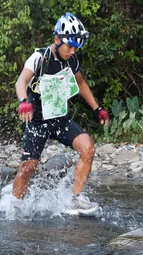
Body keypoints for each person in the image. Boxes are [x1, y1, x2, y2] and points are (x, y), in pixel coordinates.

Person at [13, 12, 109, 212]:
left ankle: (76, 198)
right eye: (70, 46)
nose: (73, 51)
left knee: (88, 148)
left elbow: (80, 83)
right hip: (37, 121)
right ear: (57, 40)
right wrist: (23, 101)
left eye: (77, 46)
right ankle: (14, 205)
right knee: (28, 168)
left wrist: (97, 108)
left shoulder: (72, 60)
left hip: (59, 119)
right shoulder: (39, 57)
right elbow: (20, 81)